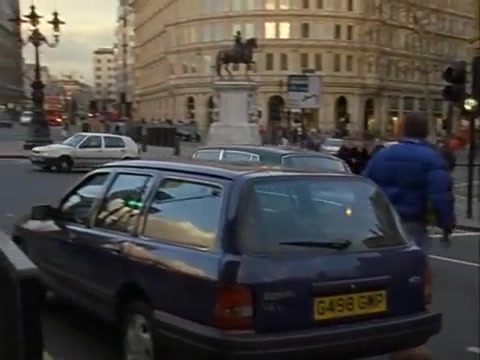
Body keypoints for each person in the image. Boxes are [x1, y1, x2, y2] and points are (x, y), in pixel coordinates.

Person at [362, 112, 454, 254]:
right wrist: (446, 223)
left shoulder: (382, 155)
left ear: (403, 130)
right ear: (426, 132)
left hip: (383, 220)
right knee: (414, 261)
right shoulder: (433, 158)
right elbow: (440, 195)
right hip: (413, 220)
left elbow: (364, 186)